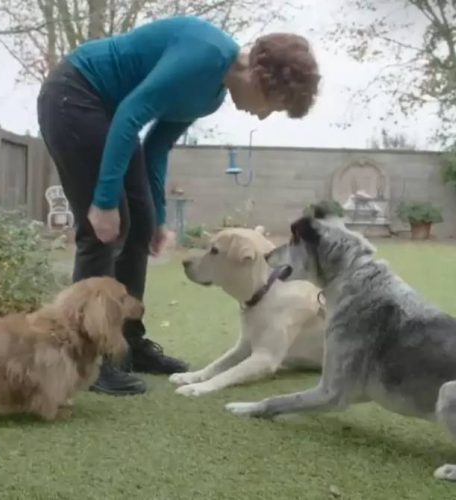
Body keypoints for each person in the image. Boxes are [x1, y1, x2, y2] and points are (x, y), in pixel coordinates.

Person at [36, 15, 320, 396]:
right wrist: (103, 201)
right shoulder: (204, 55)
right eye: (274, 103)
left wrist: (156, 218)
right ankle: (85, 356)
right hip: (75, 95)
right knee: (103, 232)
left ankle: (127, 345)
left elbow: (155, 147)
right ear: (259, 76)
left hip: (110, 112)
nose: (265, 114)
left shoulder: (211, 95)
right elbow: (130, 115)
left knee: (138, 226)